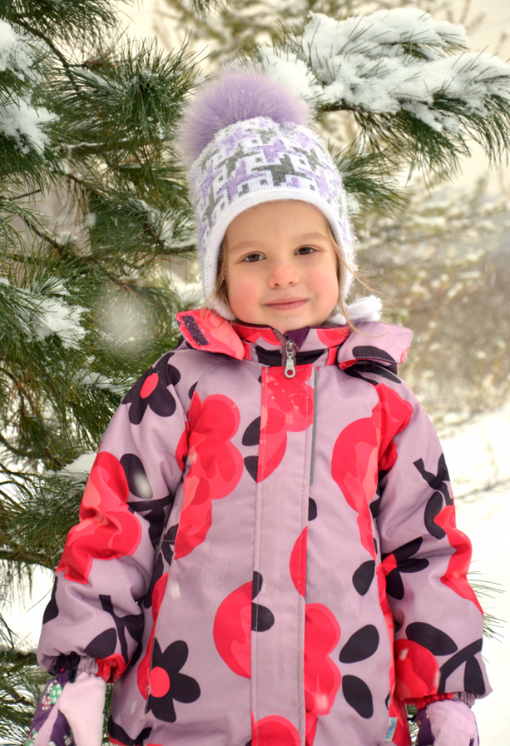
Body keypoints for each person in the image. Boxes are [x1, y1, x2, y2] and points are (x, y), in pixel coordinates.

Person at [28, 68, 490, 746]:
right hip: (181, 721)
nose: (283, 273)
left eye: (306, 248)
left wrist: (447, 699)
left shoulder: (381, 398)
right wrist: (80, 674)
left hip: (346, 725)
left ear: (340, 256)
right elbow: (116, 527)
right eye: (252, 255)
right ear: (219, 273)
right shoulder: (180, 385)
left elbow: (425, 552)